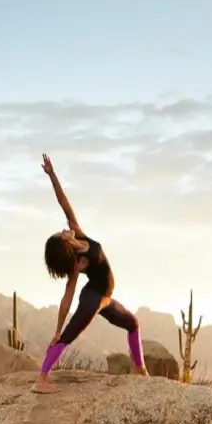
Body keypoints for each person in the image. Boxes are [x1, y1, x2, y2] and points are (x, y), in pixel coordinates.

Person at [32, 153, 148, 394]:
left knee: (133, 323)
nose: (64, 230)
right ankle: (41, 379)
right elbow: (68, 296)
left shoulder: (77, 231)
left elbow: (63, 201)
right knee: (67, 336)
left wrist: (52, 175)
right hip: (93, 298)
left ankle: (140, 369)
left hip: (105, 298)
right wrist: (56, 330)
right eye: (61, 234)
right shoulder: (78, 263)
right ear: (66, 246)